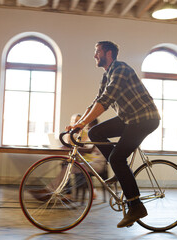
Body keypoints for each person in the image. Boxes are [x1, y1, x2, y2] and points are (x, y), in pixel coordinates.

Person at [66, 41, 160, 228]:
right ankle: (120, 170)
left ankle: (136, 206)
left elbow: (107, 100)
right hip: (129, 118)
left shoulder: (121, 69)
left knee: (117, 159)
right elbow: (97, 101)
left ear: (108, 53)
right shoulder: (106, 75)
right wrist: (78, 124)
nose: (95, 55)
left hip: (144, 118)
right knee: (95, 131)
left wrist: (82, 123)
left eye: (97, 52)